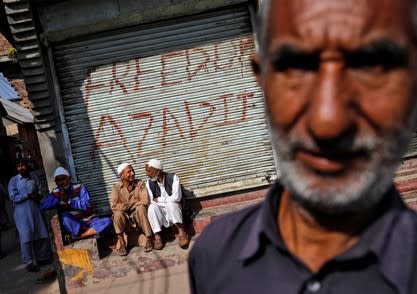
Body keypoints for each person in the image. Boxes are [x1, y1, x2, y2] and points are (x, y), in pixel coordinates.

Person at [188, 0, 417, 293]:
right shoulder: (214, 254)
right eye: (297, 65)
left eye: (371, 65)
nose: (327, 122)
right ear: (263, 80)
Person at [40, 167, 112, 243]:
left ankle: (79, 236)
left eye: (63, 179)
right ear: (55, 182)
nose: (61, 182)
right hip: (74, 223)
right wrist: (57, 199)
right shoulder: (55, 193)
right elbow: (43, 206)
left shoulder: (80, 187)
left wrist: (69, 201)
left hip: (89, 220)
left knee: (108, 221)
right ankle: (89, 232)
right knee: (64, 216)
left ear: (69, 178)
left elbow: (85, 205)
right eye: (58, 180)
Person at [8, 159, 50, 272]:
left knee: (40, 234)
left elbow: (41, 190)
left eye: (23, 165)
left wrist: (38, 196)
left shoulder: (34, 177)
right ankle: (29, 262)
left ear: (27, 166)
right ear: (16, 168)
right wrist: (27, 195)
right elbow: (12, 197)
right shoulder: (14, 181)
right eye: (18, 166)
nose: (21, 168)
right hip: (22, 213)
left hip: (36, 209)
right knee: (26, 237)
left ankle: (41, 258)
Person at [109, 162, 153, 256]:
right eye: (129, 172)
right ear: (121, 175)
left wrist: (124, 206)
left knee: (141, 208)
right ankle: (122, 242)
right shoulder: (116, 188)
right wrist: (133, 202)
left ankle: (149, 238)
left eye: (133, 170)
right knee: (117, 215)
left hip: (137, 217)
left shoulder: (140, 183)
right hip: (126, 220)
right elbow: (114, 206)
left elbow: (144, 201)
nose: (133, 173)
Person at [145, 159, 189, 249]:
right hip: (161, 211)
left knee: (171, 205)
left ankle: (182, 232)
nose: (147, 174)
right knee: (151, 208)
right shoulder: (149, 183)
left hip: (174, 209)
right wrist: (168, 201)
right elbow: (151, 201)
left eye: (149, 171)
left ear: (158, 172)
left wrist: (161, 200)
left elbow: (177, 197)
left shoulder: (173, 177)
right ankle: (157, 237)